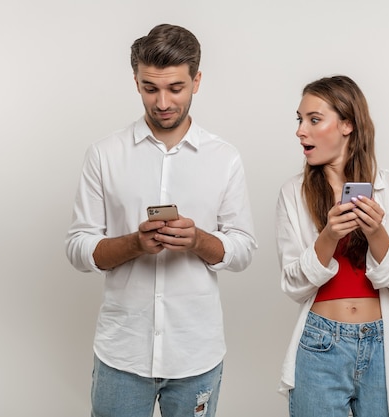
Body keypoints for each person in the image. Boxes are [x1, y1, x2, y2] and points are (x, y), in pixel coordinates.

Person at [65, 23, 257, 417]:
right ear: (136, 82)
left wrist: (199, 240)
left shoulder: (225, 158)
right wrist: (135, 244)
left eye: (175, 88)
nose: (163, 101)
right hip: (122, 352)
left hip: (195, 353)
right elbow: (78, 247)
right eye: (150, 88)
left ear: (197, 81)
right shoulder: (104, 154)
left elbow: (242, 250)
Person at [275, 75, 389, 417]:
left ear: (347, 124)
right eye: (300, 120)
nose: (301, 131)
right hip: (319, 344)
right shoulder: (293, 193)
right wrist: (328, 235)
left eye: (314, 120)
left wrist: (376, 233)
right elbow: (293, 284)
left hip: (383, 345)